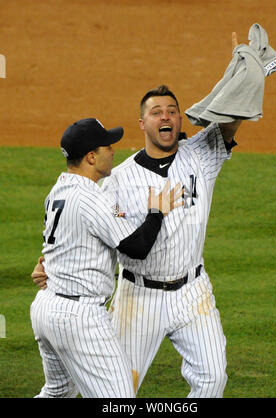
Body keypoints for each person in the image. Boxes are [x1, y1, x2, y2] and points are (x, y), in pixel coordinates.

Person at [32, 33, 252, 398]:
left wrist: (242, 72)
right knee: (119, 393)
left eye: (172, 111)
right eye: (156, 112)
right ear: (142, 123)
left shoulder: (200, 154)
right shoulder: (115, 180)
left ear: (180, 120)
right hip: (138, 298)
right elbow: (85, 229)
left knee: (213, 381)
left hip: (192, 291)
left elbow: (230, 119)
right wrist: (53, 267)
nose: (165, 117)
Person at [30, 117, 183, 398]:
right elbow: (136, 248)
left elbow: (65, 241)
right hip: (79, 317)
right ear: (91, 157)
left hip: (46, 308)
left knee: (57, 392)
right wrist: (156, 211)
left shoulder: (59, 189)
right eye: (107, 146)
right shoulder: (94, 200)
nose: (113, 151)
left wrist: (44, 264)